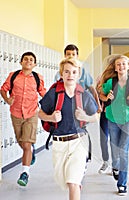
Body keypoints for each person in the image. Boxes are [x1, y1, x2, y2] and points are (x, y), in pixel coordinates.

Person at [38, 58, 98, 200]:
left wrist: (85, 116)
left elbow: (96, 116)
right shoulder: (53, 94)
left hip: (79, 142)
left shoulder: (84, 95)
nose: (70, 75)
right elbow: (39, 113)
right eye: (66, 72)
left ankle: (75, 185)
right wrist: (51, 118)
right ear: (61, 74)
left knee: (72, 181)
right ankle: (76, 186)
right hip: (59, 143)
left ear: (78, 75)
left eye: (73, 72)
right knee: (63, 180)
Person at [0, 52, 46, 186]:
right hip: (16, 113)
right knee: (21, 142)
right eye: (25, 59)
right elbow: (3, 89)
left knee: (26, 144)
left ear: (35, 64)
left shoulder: (38, 78)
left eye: (31, 59)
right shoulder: (13, 76)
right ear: (21, 62)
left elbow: (43, 93)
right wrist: (7, 99)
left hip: (31, 113)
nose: (28, 61)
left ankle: (25, 173)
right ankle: (31, 150)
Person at [98, 54, 129, 196]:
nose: (121, 66)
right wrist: (106, 97)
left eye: (124, 64)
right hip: (112, 118)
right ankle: (115, 166)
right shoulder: (111, 82)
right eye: (118, 64)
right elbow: (101, 94)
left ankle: (122, 184)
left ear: (128, 66)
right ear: (115, 68)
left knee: (123, 151)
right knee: (115, 149)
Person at [55, 44, 101, 113]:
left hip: (82, 104)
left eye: (73, 54)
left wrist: (98, 104)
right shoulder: (60, 73)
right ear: (65, 56)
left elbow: (92, 89)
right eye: (68, 54)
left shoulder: (83, 72)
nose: (71, 56)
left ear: (77, 56)